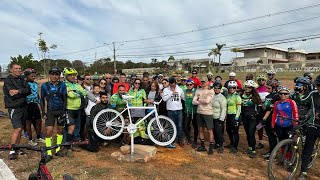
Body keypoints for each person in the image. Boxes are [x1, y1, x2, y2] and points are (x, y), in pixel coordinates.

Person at [3, 63, 31, 160]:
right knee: (17, 128)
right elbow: (11, 93)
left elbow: (28, 90)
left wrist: (18, 91)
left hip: (23, 106)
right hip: (14, 107)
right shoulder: (8, 81)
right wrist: (21, 91)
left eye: (19, 68)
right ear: (11, 70)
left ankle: (17, 148)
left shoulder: (23, 78)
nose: (18, 70)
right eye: (16, 68)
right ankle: (12, 150)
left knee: (21, 127)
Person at [40, 67, 68, 162]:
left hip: (60, 111)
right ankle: (48, 152)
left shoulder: (62, 85)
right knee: (49, 131)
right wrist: (43, 112)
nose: (54, 76)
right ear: (50, 75)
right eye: (53, 74)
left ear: (59, 76)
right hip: (50, 111)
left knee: (60, 130)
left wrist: (64, 112)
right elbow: (42, 99)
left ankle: (58, 150)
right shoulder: (45, 86)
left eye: (56, 74)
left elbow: (65, 99)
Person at [298, 75, 320, 179]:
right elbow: (303, 101)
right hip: (313, 125)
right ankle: (303, 172)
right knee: (307, 149)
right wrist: (298, 94)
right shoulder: (313, 94)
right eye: (318, 85)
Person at [63, 67, 87, 149]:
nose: (73, 76)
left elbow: (85, 93)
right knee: (69, 127)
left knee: (77, 127)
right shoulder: (65, 85)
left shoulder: (77, 85)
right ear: (66, 76)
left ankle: (75, 144)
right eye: (70, 75)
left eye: (74, 75)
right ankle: (66, 144)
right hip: (69, 109)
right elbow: (71, 95)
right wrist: (78, 93)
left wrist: (77, 92)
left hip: (78, 109)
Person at [192, 80, 215, 154]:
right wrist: (201, 100)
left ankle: (211, 147)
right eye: (202, 82)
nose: (203, 83)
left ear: (208, 83)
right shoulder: (198, 90)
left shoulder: (210, 91)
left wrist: (198, 99)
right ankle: (202, 146)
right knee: (200, 129)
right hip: (199, 112)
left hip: (208, 112)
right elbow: (193, 101)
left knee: (210, 130)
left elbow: (207, 101)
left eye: (204, 82)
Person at [162, 77, 185, 148]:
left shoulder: (180, 89)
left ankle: (180, 140)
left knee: (180, 126)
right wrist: (171, 92)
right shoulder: (166, 89)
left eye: (173, 84)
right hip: (170, 110)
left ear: (175, 83)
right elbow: (164, 99)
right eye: (171, 84)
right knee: (171, 126)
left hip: (179, 110)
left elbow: (183, 97)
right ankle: (171, 140)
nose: (172, 86)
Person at [241, 80, 262, 158]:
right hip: (244, 116)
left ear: (252, 88)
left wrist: (257, 115)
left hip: (252, 118)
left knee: (251, 133)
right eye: (246, 87)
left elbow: (259, 106)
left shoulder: (255, 96)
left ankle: (253, 150)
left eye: (249, 87)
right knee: (247, 133)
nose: (247, 89)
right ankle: (250, 147)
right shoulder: (241, 94)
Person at [24, 68, 43, 146]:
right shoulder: (24, 84)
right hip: (27, 104)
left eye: (34, 74)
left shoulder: (35, 84)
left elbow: (37, 94)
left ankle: (38, 137)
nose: (33, 75)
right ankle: (30, 139)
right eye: (31, 75)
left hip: (35, 104)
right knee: (28, 122)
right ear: (27, 76)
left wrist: (39, 102)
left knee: (39, 121)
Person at [261, 80, 279, 161]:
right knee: (270, 136)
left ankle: (273, 154)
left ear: (274, 88)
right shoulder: (268, 96)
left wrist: (264, 118)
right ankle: (271, 151)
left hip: (271, 119)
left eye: (269, 88)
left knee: (272, 136)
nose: (267, 89)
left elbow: (270, 109)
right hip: (268, 118)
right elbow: (265, 107)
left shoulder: (275, 97)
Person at [225, 81, 242, 154]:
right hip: (228, 115)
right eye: (230, 87)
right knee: (228, 130)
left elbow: (239, 108)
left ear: (236, 88)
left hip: (235, 115)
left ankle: (235, 147)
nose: (232, 89)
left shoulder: (237, 96)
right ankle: (232, 143)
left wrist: (236, 118)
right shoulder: (228, 96)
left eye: (233, 87)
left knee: (235, 132)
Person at [211, 82, 227, 153]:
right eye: (215, 88)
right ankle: (217, 143)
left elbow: (224, 109)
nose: (216, 89)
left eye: (218, 88)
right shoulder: (212, 96)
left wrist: (221, 119)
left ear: (220, 89)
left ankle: (221, 146)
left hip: (219, 117)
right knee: (214, 131)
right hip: (212, 117)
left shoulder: (222, 98)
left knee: (219, 132)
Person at [256, 75, 269, 149]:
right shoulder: (256, 89)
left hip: (267, 110)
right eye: (259, 80)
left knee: (268, 127)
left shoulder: (268, 88)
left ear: (265, 80)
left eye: (263, 80)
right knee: (259, 126)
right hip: (259, 109)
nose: (261, 81)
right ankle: (261, 142)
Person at [183, 79, 198, 148]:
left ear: (193, 84)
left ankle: (195, 141)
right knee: (185, 126)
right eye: (187, 85)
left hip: (194, 112)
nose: (189, 86)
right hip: (187, 111)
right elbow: (183, 99)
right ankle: (189, 139)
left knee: (195, 127)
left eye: (190, 84)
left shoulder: (196, 91)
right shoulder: (185, 91)